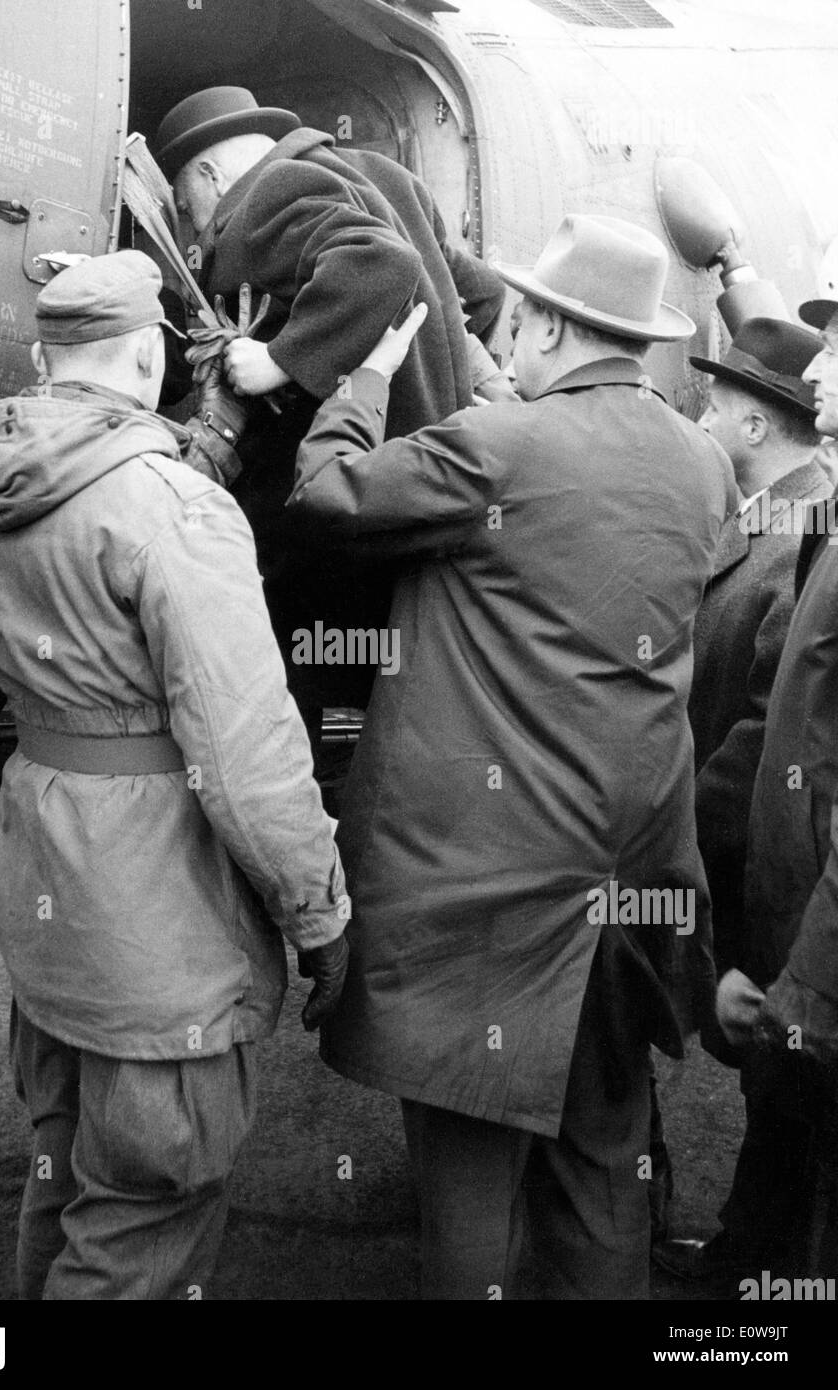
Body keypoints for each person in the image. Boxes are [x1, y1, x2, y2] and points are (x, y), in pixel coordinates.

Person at [287, 214, 734, 1299]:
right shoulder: (703, 465)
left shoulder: (500, 449)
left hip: (485, 903)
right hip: (627, 891)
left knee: (471, 1200)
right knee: (598, 1178)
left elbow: (326, 497)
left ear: (543, 323)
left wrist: (362, 383)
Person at [0, 250, 350, 1300]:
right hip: (160, 936)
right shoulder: (176, 509)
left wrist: (208, 441)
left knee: (66, 1184)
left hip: (56, 908)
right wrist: (319, 915)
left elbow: (119, 497)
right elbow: (248, 755)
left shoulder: (6, 470)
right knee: (142, 1221)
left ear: (51, 363)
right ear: (148, 356)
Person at [152, 86, 509, 770]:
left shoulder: (264, 196)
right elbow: (482, 293)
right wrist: (434, 379)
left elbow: (378, 265)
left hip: (336, 523)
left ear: (209, 175)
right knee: (389, 716)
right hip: (419, 499)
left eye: (188, 205)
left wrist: (279, 361)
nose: (196, 227)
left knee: (307, 723)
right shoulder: (387, 177)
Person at [652, 318, 830, 1281]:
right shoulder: (768, 519)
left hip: (762, 862)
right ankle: (749, 1254)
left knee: (781, 1082)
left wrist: (673, 822)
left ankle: (753, 1279)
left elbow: (770, 730)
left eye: (717, 400)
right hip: (751, 855)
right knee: (776, 1092)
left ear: (756, 424)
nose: (702, 410)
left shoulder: (796, 538)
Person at [715, 292, 838, 1280]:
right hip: (781, 889)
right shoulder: (810, 520)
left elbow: (775, 724)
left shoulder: (810, 524)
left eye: (837, 353)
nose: (820, 375)